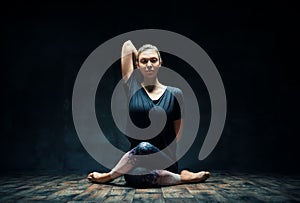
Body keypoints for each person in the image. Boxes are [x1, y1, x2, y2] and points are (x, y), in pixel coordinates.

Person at [87, 40, 210, 188]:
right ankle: (181, 178)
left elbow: (178, 135)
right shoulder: (132, 87)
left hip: (165, 160)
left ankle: (108, 176)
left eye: (153, 60)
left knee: (144, 146)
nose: (149, 65)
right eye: (144, 61)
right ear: (137, 65)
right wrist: (140, 53)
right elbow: (127, 45)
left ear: (160, 62)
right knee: (135, 177)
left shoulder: (175, 94)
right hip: (135, 161)